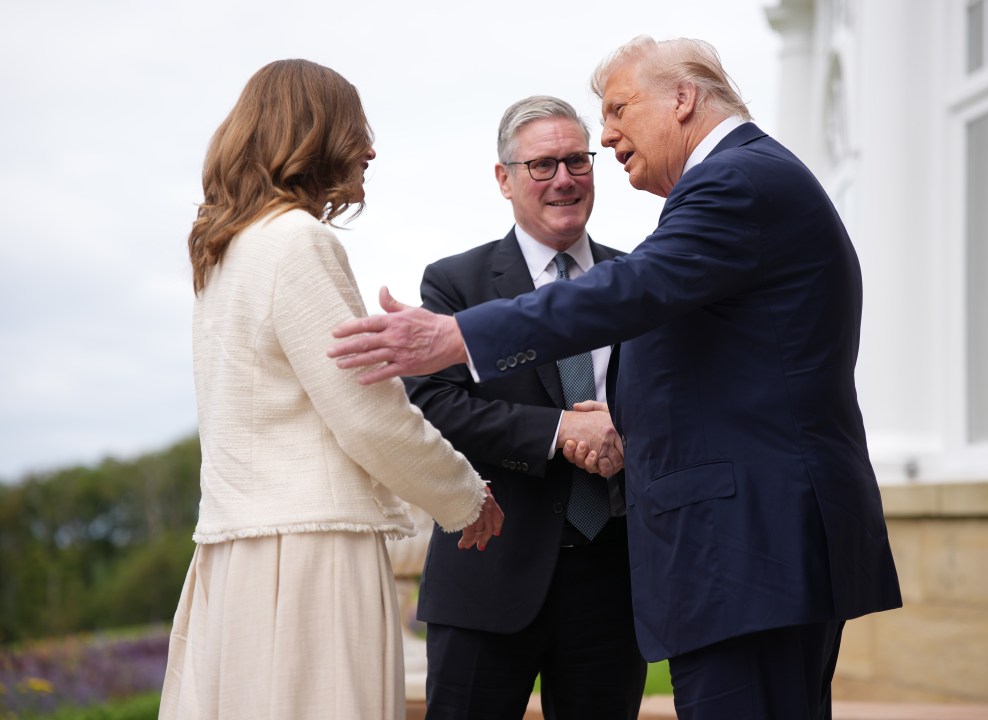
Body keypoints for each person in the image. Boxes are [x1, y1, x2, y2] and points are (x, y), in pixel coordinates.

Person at [328, 36, 904, 719]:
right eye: (547, 161)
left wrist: (458, 335)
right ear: (504, 176)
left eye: (618, 111)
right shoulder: (743, 181)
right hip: (678, 562)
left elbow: (628, 290)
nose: (607, 135)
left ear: (683, 98)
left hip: (749, 553)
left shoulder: (733, 181)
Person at [159, 59, 503, 720]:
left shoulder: (225, 254)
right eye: (354, 129)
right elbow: (368, 415)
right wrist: (464, 494)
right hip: (310, 557)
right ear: (311, 134)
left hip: (235, 557)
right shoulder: (297, 243)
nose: (369, 149)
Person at [402, 95, 646, 720]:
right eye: (542, 166)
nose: (563, 179)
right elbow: (434, 404)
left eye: (577, 161)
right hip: (489, 571)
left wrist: (625, 431)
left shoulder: (638, 280)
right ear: (504, 179)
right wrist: (559, 431)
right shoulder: (456, 283)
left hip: (612, 579)